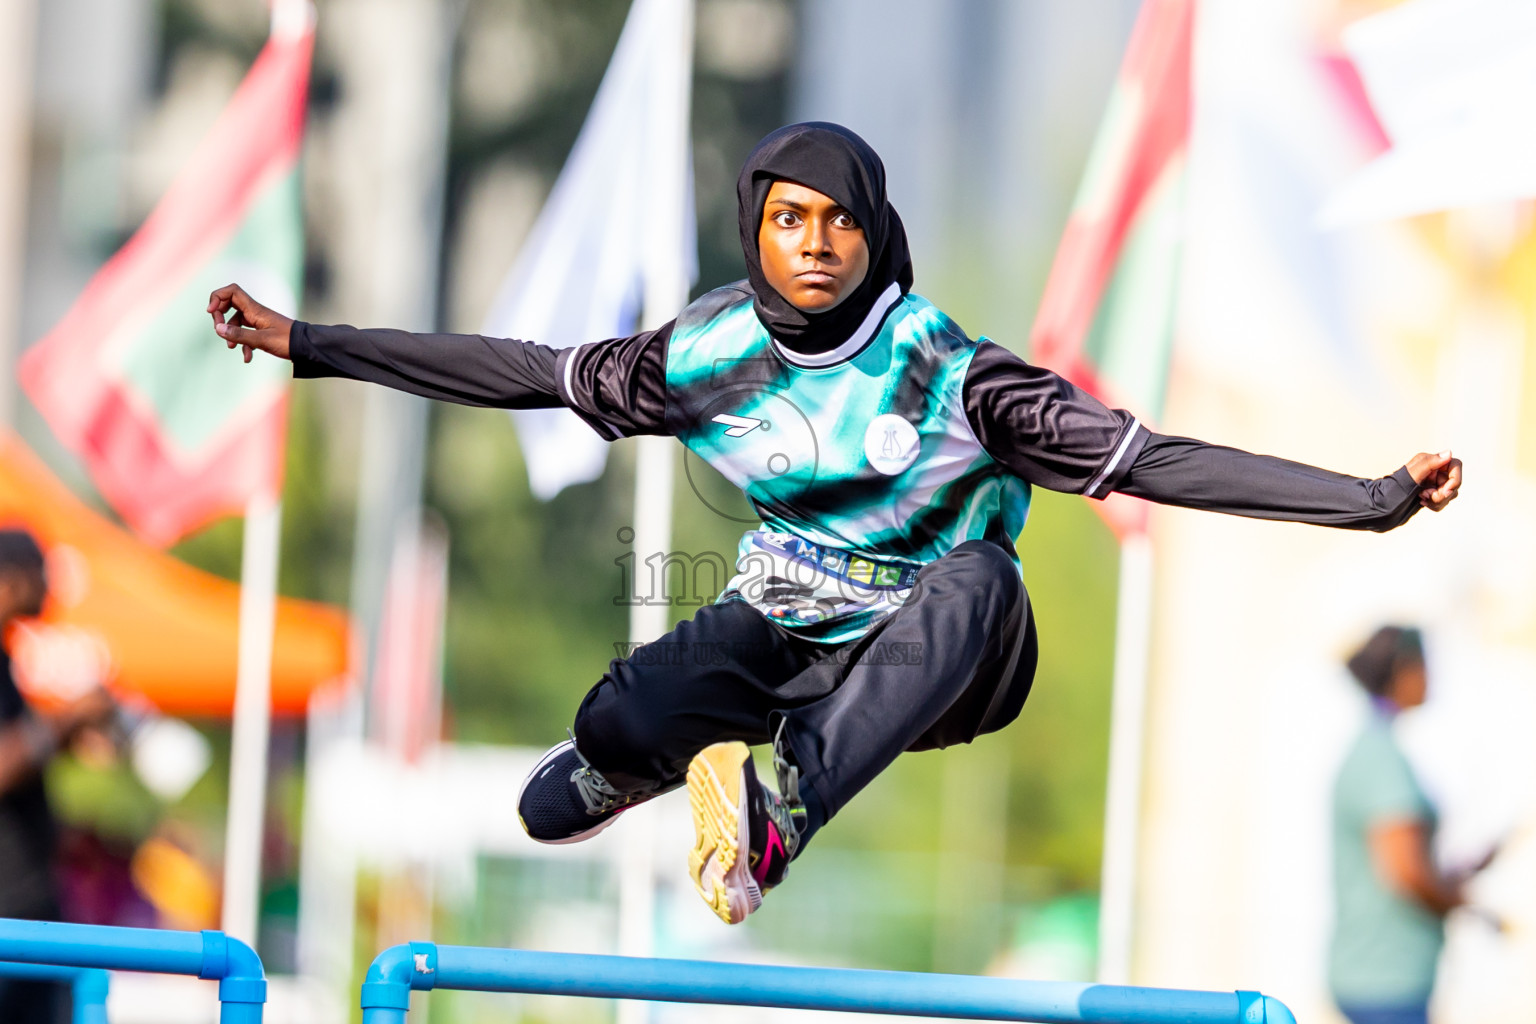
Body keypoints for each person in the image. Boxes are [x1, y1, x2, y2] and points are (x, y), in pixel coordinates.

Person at [208, 122, 1463, 924]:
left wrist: (1369, 499)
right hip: (794, 615)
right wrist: (308, 342)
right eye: (789, 222)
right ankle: (628, 757)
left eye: (840, 222)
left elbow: (1161, 461)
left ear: (874, 235)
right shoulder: (700, 353)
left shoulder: (958, 375)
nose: (816, 246)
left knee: (976, 573)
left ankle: (785, 808)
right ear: (757, 232)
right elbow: (518, 367)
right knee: (583, 763)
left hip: (949, 654)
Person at [1329, 627, 1489, 1024]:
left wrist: (1456, 877)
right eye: (1425, 665)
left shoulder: (1378, 748)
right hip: (1383, 979)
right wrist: (1463, 903)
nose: (1432, 677)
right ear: (1403, 670)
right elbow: (1406, 873)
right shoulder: (1380, 757)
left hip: (1385, 976)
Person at [0, 529, 115, 1021]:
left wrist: (68, 738)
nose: (46, 589)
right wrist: (67, 718)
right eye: (37, 575)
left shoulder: (7, 663)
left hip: (28, 907)